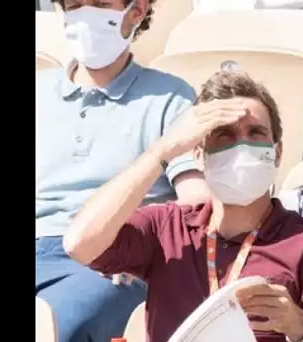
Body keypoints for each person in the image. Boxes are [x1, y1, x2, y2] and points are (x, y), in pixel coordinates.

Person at [63, 71, 303, 342]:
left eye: (256, 133)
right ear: (199, 155)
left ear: (278, 152)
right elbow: (80, 243)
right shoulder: (167, 227)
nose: (242, 145)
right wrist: (161, 152)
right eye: (224, 135)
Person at [36, 1, 209, 341]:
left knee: (62, 322)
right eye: (74, 4)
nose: (85, 14)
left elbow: (196, 203)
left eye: (100, 4)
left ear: (137, 11)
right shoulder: (39, 90)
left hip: (110, 261)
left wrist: (138, 249)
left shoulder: (171, 98)